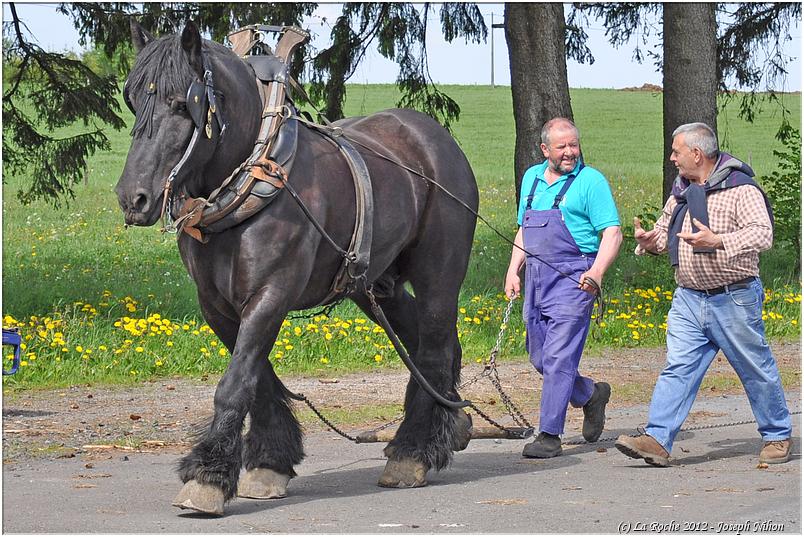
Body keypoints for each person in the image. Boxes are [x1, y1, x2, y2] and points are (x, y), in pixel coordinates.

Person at [615, 122, 793, 467]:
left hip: (734, 297)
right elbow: (666, 233)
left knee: (754, 368)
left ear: (696, 154)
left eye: (676, 151)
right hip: (689, 298)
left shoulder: (741, 188)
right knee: (678, 366)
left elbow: (763, 234)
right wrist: (650, 242)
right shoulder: (681, 189)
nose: (672, 158)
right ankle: (657, 439)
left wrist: (720, 241)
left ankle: (776, 435)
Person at [505, 117, 622, 458]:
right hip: (537, 278)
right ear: (545, 149)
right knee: (540, 356)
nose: (570, 152)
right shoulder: (531, 178)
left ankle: (549, 434)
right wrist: (514, 270)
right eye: (562, 147)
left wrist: (597, 272)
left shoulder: (591, 182)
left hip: (576, 278)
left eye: (574, 145)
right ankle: (589, 395)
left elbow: (612, 234)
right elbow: (524, 230)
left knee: (558, 358)